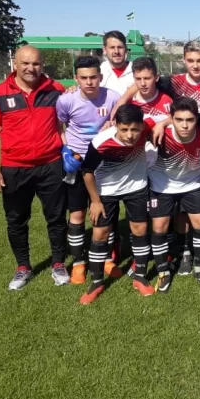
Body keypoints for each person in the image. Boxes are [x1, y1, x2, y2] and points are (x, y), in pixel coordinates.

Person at [0, 45, 69, 290]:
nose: (31, 68)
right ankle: (23, 266)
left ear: (42, 65)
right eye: (25, 63)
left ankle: (59, 263)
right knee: (16, 220)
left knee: (57, 218)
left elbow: (69, 120)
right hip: (14, 167)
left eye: (36, 64)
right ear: (15, 64)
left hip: (51, 165)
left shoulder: (57, 90)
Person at [78, 104, 161, 304]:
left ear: (142, 126)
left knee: (140, 229)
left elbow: (166, 116)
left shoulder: (145, 128)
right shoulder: (100, 142)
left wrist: (163, 123)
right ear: (115, 125)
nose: (130, 135)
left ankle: (139, 275)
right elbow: (87, 171)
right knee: (100, 234)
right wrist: (95, 201)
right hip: (106, 192)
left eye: (134, 129)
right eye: (124, 129)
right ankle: (96, 281)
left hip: (137, 187)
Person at [56, 56, 121, 285]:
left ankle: (105, 259)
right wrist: (66, 149)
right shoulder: (66, 100)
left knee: (105, 213)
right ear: (76, 78)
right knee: (77, 215)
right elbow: (59, 125)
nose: (89, 81)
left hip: (104, 165)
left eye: (93, 77)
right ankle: (78, 263)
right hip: (77, 163)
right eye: (83, 78)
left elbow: (119, 124)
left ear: (100, 77)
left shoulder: (113, 97)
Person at [148, 97, 200, 292]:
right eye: (179, 120)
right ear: (171, 119)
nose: (184, 125)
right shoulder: (158, 134)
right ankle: (163, 272)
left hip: (191, 184)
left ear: (196, 119)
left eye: (190, 120)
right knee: (159, 226)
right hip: (161, 186)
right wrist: (161, 123)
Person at [99, 30, 134, 94]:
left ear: (126, 49)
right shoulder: (98, 72)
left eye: (120, 47)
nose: (116, 51)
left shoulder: (136, 71)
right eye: (112, 47)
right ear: (104, 50)